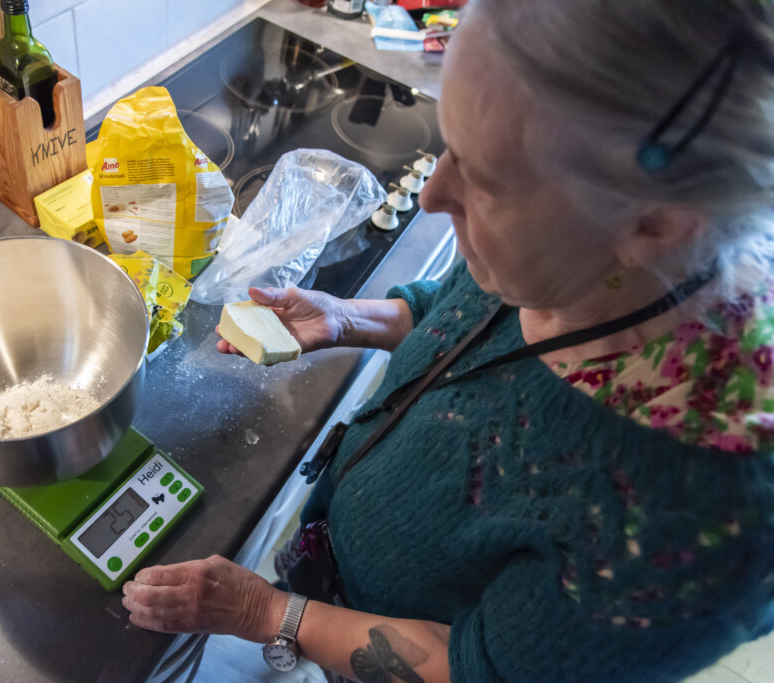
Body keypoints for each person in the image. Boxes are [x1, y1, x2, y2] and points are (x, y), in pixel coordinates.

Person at [122, 1, 774, 681]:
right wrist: (347, 318)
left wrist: (268, 614)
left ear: (658, 226)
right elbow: (465, 305)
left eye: (483, 181)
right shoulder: (583, 261)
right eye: (447, 147)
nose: (432, 193)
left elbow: (473, 670)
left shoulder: (696, 521)